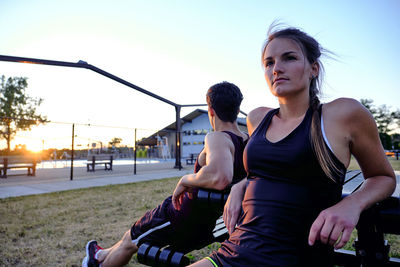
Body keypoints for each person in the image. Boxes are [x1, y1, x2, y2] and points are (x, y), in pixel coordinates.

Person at [190, 25, 397, 267]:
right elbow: (272, 171)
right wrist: (241, 185)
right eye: (269, 63)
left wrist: (351, 203)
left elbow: (383, 177)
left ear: (313, 68)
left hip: (296, 257)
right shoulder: (257, 118)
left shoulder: (343, 114)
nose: (276, 68)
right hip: (234, 251)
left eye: (289, 58)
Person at [82, 81, 249, 267]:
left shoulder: (217, 137)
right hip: (206, 224)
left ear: (210, 110)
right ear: (237, 108)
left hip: (178, 217)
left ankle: (96, 262)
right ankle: (99, 254)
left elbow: (220, 176)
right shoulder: (247, 141)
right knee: (130, 236)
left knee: (130, 242)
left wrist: (185, 179)